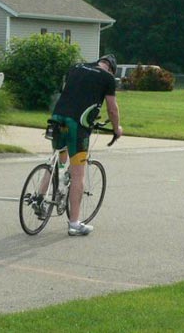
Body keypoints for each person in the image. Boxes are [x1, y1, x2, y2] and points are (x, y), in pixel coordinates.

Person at [49, 54, 123, 236]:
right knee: (78, 174)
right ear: (111, 69)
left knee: (55, 162)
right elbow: (112, 109)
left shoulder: (77, 67)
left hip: (58, 117)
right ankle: (74, 223)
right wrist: (116, 129)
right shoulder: (107, 78)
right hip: (77, 126)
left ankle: (40, 199)